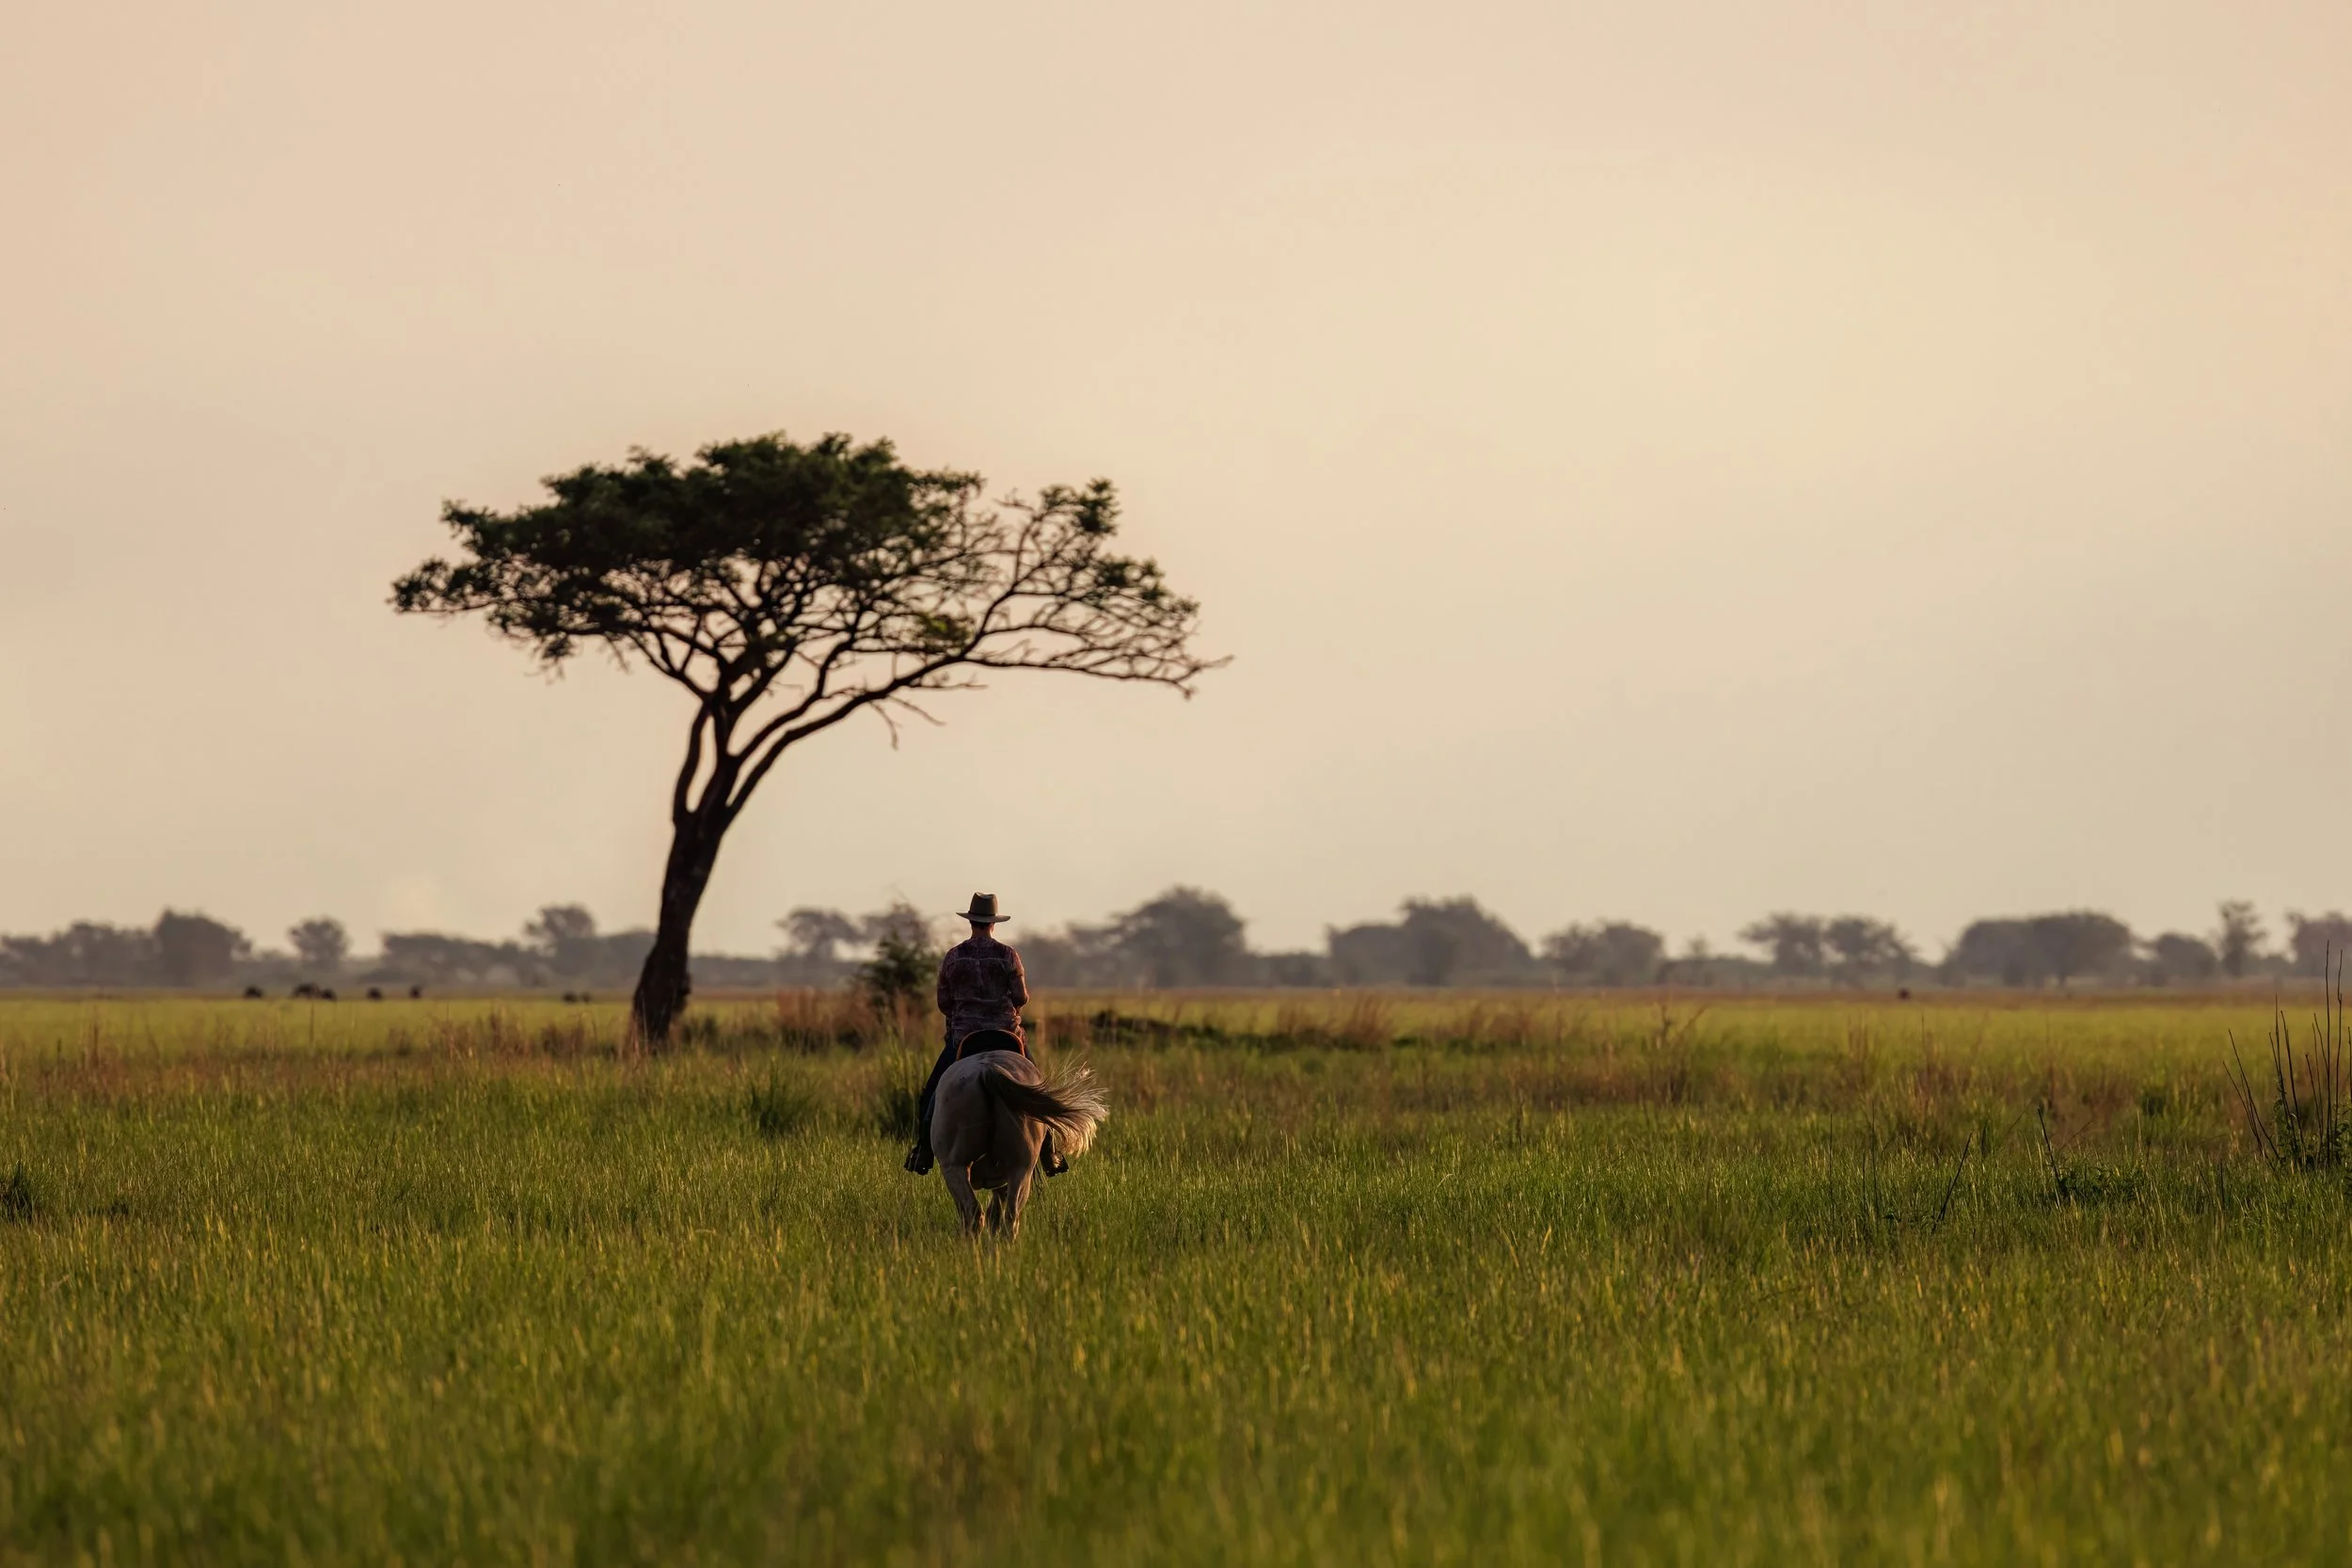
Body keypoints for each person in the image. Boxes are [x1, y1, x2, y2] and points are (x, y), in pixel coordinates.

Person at [903, 893, 1066, 1178]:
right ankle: (1049, 1152)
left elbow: (943, 1002)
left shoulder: (954, 956)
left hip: (964, 1038)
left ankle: (923, 1152)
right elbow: (1021, 996)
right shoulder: (1008, 955)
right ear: (993, 924)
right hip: (1007, 1036)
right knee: (1039, 1092)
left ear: (971, 922)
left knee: (930, 1094)